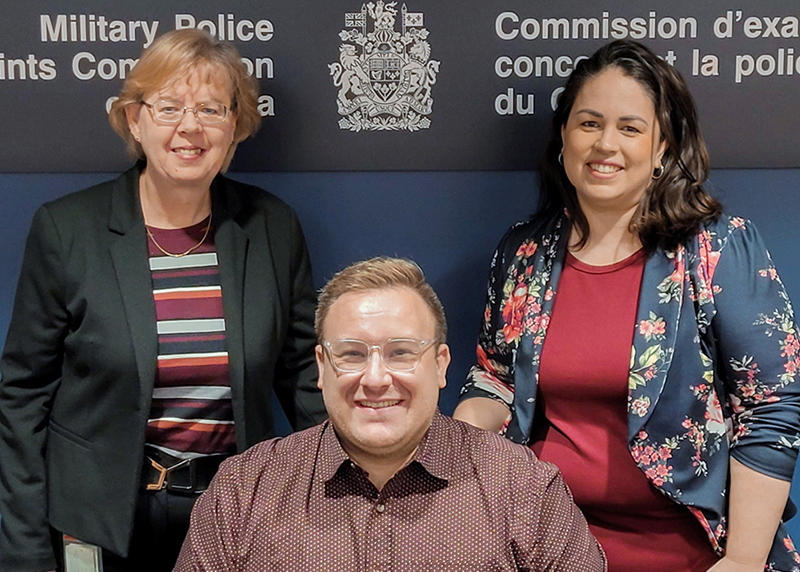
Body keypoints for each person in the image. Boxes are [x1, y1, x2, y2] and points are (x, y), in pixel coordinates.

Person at [454, 39, 800, 572]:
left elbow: (770, 409)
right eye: (589, 124)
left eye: (630, 128)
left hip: (690, 554)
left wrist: (745, 561)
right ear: (564, 138)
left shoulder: (719, 249)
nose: (605, 144)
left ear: (663, 148)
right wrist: (451, 469)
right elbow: (495, 379)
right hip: (543, 546)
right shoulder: (524, 251)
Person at [0, 29, 326, 572]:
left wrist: (356, 503)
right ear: (135, 119)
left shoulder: (272, 228)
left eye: (210, 108)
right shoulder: (67, 231)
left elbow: (305, 379)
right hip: (99, 524)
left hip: (236, 517)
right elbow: (22, 398)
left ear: (236, 125)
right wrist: (25, 551)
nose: (190, 127)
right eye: (169, 106)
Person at [174, 257, 606, 571]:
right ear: (322, 368)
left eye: (401, 353)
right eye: (352, 355)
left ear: (440, 365)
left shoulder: (523, 489)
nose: (376, 378)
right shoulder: (243, 493)